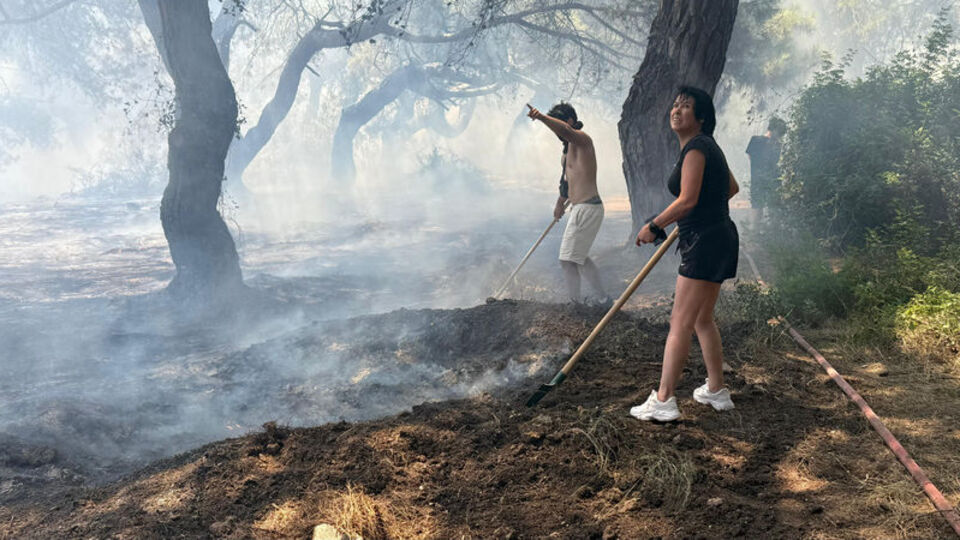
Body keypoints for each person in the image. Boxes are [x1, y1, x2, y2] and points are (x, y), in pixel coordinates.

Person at [630, 86, 740, 422]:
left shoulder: (696, 147)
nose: (677, 110)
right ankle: (717, 390)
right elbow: (730, 188)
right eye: (675, 105)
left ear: (701, 117)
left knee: (680, 322)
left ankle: (663, 400)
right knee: (701, 320)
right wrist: (702, 210)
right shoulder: (706, 148)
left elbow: (688, 200)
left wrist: (655, 225)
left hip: (705, 242)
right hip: (717, 236)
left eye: (686, 106)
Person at [526, 102, 609, 305]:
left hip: (588, 207)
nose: (556, 131)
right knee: (578, 258)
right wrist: (559, 204)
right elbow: (566, 181)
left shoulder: (582, 140)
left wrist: (542, 117)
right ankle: (603, 298)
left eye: (558, 123)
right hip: (580, 208)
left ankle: (575, 303)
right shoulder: (566, 151)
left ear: (570, 121)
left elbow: (564, 130)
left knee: (567, 260)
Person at [745, 116, 786, 223]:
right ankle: (759, 233)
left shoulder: (755, 140)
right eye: (780, 133)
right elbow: (774, 162)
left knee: (758, 207)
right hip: (766, 180)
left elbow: (750, 157)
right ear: (775, 130)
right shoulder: (776, 144)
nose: (780, 136)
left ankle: (755, 233)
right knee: (764, 208)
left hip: (759, 180)